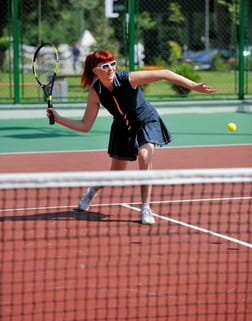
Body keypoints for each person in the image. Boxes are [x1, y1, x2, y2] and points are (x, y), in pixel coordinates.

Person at [47, 50, 215, 224]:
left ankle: (145, 208)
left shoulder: (128, 79)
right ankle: (92, 191)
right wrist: (58, 119)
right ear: (95, 71)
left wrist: (194, 86)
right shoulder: (95, 92)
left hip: (146, 122)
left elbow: (165, 74)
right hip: (122, 129)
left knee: (144, 156)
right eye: (105, 66)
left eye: (113, 64)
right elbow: (85, 125)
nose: (111, 68)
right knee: (116, 174)